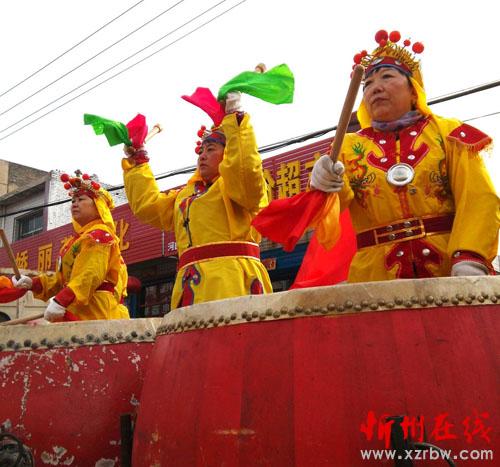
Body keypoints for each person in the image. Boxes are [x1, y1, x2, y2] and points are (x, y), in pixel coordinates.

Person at [310, 29, 499, 281]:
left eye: (387, 76)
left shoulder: (448, 133)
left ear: (413, 90)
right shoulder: (347, 148)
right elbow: (329, 215)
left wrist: (470, 256)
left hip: (448, 269)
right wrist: (323, 186)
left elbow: (477, 198)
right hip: (375, 277)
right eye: (368, 84)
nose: (375, 88)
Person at [122, 93, 272, 308]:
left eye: (210, 149)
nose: (202, 156)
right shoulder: (187, 195)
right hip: (190, 284)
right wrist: (139, 162)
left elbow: (245, 170)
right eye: (201, 151)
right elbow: (148, 206)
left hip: (232, 279)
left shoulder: (237, 186)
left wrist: (235, 121)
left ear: (229, 152)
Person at [13, 171, 130, 321]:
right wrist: (32, 283)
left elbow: (90, 274)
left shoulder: (100, 235)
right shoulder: (74, 241)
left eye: (81, 199)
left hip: (97, 311)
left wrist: (62, 299)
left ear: (98, 206)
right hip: (78, 308)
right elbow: (61, 279)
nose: (74, 203)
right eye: (73, 200)